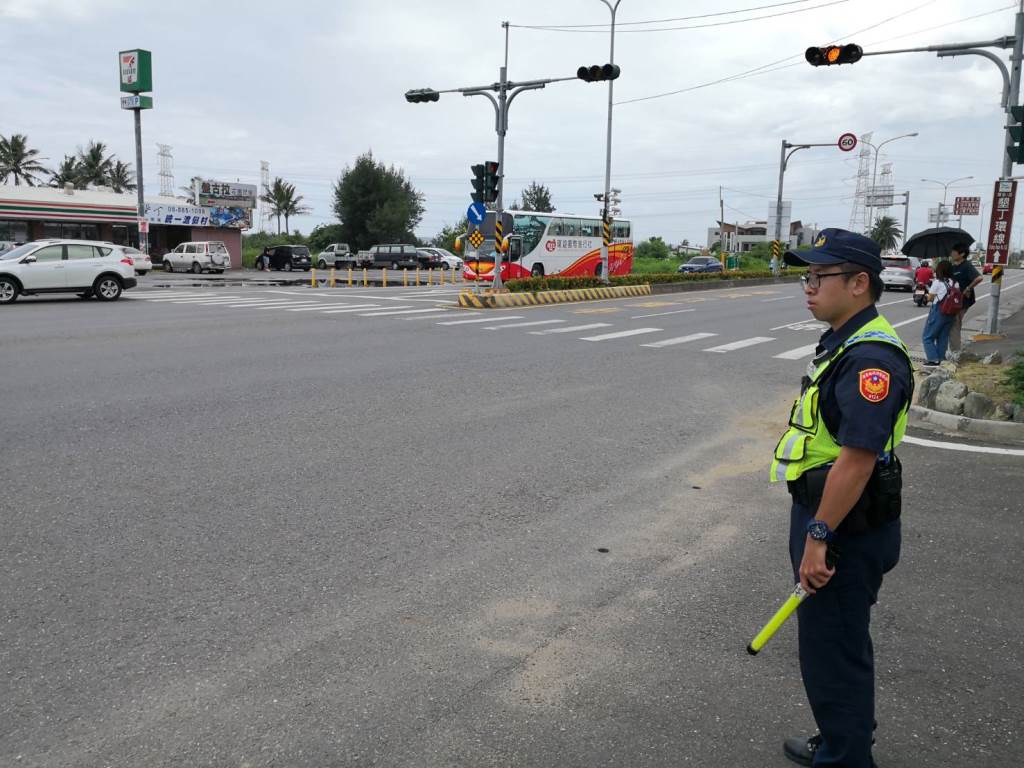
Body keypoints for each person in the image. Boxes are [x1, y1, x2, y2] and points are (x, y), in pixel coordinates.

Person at [771, 228, 913, 768]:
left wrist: (818, 536)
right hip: (837, 518)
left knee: (834, 650)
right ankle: (841, 739)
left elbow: (856, 458)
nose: (807, 287)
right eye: (805, 276)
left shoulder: (870, 357)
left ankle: (847, 758)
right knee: (837, 644)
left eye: (819, 276)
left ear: (860, 284)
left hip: (843, 528)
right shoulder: (847, 342)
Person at [947, 243, 982, 358]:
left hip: (962, 301)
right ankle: (954, 350)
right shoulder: (953, 266)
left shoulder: (966, 266)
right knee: (953, 325)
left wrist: (968, 288)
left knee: (954, 325)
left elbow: (979, 278)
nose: (952, 253)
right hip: (953, 300)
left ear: (962, 254)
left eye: (954, 251)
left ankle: (956, 353)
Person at [921, 260, 956, 366]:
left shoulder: (938, 282)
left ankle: (933, 359)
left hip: (939, 311)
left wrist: (927, 296)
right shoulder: (955, 282)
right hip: (951, 313)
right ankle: (941, 358)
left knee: (927, 337)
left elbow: (930, 298)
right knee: (943, 337)